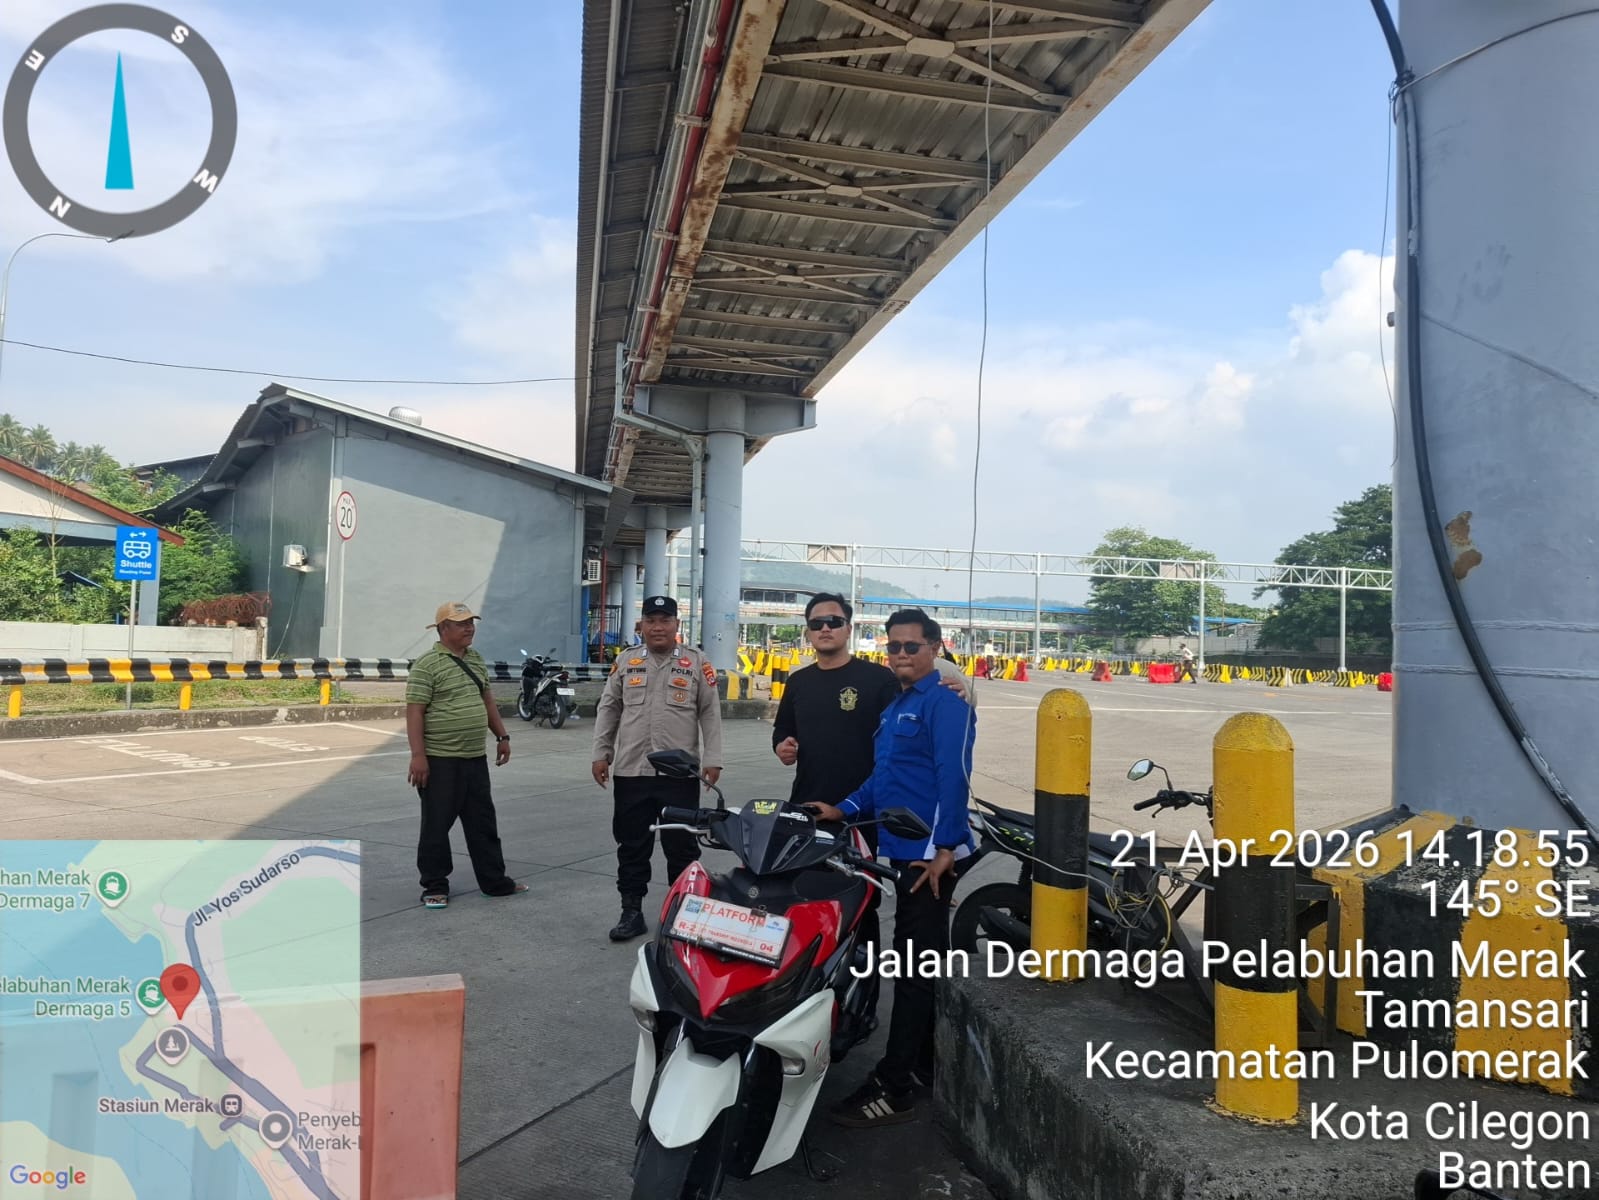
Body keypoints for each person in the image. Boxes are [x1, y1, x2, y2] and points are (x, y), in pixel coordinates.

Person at [806, 609, 976, 1128]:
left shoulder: (945, 702)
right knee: (917, 964)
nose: (901, 654)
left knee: (914, 970)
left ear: (935, 648)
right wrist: (842, 809)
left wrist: (944, 847)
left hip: (929, 859)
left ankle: (896, 1085)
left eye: (911, 646)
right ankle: (924, 1063)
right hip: (906, 853)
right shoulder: (899, 704)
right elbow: (883, 778)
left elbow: (955, 775)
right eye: (894, 646)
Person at [592, 595, 724, 941]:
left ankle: (684, 915)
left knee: (682, 848)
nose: (658, 627)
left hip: (679, 776)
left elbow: (710, 712)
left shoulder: (696, 662)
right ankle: (631, 911)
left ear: (676, 625)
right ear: (642, 625)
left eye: (665, 620)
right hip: (631, 773)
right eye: (651, 620)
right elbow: (609, 708)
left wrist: (713, 758)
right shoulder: (626, 661)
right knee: (632, 846)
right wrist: (601, 752)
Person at [405, 601, 530, 910]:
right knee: (436, 827)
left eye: (471, 622)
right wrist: (418, 756)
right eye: (462, 623)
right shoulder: (426, 665)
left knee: (483, 824)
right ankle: (435, 886)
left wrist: (502, 736)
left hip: (475, 758)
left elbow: (487, 701)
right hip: (440, 760)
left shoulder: (475, 659)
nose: (469, 628)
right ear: (443, 629)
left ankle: (494, 882)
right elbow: (415, 712)